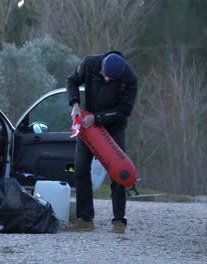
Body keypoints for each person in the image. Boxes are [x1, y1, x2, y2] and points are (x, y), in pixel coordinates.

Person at [64, 51, 138, 233]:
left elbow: (124, 110)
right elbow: (71, 81)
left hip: (114, 126)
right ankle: (85, 219)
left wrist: (98, 118)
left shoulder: (130, 78)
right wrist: (74, 104)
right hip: (88, 125)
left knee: (118, 172)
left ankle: (119, 220)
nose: (106, 80)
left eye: (111, 79)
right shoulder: (90, 63)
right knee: (81, 168)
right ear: (102, 67)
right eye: (105, 75)